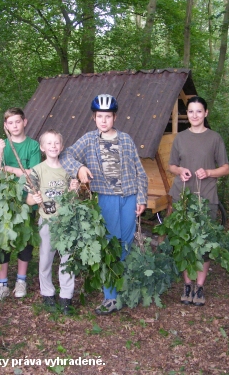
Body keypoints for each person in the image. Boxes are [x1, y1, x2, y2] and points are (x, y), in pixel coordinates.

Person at [60, 94, 148, 315]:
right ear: (94, 118)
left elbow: (139, 171)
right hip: (105, 199)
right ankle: (110, 296)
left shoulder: (126, 140)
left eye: (108, 116)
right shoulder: (89, 140)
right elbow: (66, 155)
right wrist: (79, 169)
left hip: (128, 197)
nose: (104, 120)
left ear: (114, 117)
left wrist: (141, 198)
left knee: (126, 242)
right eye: (100, 116)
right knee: (109, 244)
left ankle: (123, 285)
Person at [168, 96, 229, 307]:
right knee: (185, 241)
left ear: (206, 113)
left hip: (206, 197)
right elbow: (172, 166)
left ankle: (200, 286)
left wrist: (209, 172)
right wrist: (181, 171)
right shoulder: (180, 138)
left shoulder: (215, 138)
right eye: (191, 111)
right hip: (183, 197)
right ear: (188, 114)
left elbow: (225, 168)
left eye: (199, 111)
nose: (194, 115)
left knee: (203, 244)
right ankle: (187, 284)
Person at [25, 130, 79, 315]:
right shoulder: (37, 171)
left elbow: (72, 199)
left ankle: (66, 297)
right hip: (47, 222)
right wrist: (35, 197)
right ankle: (47, 293)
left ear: (61, 146)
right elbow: (29, 200)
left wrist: (74, 189)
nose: (53, 146)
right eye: (49, 143)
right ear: (42, 147)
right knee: (46, 259)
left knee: (67, 259)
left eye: (56, 143)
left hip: (66, 223)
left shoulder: (68, 169)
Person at [0, 107, 41, 300]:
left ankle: (21, 280)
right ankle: (2, 283)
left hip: (27, 200)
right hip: (4, 201)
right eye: (10, 123)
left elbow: (33, 173)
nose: (14, 126)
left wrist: (10, 168)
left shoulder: (33, 145)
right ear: (5, 126)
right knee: (3, 241)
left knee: (24, 241)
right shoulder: (1, 145)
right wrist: (0, 152)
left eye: (17, 122)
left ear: (25, 122)